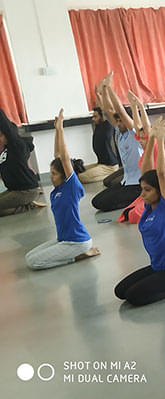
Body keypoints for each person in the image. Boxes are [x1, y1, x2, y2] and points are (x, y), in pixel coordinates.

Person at [114, 117, 165, 307]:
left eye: (147, 190)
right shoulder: (147, 210)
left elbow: (160, 173)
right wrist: (151, 138)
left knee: (135, 297)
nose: (142, 194)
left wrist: (160, 141)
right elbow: (145, 170)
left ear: (160, 190)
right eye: (142, 189)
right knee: (121, 292)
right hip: (158, 267)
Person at [26, 109, 101, 269]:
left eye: (54, 174)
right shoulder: (57, 190)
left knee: (33, 263)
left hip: (77, 242)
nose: (51, 177)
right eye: (51, 173)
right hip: (64, 239)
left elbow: (64, 157)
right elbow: (58, 155)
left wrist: (61, 128)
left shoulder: (71, 187)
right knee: (29, 256)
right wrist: (56, 131)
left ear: (64, 176)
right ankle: (77, 254)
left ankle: (79, 257)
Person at [117, 92, 165, 224]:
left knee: (136, 215)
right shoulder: (145, 152)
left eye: (144, 137)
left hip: (161, 191)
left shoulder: (153, 145)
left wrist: (142, 107)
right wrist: (134, 106)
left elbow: (146, 128)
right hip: (150, 191)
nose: (141, 139)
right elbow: (138, 127)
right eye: (140, 138)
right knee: (130, 214)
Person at [92, 75, 143, 211]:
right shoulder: (120, 133)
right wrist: (102, 91)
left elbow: (119, 110)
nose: (119, 123)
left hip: (138, 184)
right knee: (96, 201)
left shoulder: (135, 133)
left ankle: (139, 198)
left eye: (122, 121)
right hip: (127, 180)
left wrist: (109, 87)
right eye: (118, 121)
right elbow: (109, 110)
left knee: (102, 203)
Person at [0, 108, 43, 217]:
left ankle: (28, 206)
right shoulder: (5, 150)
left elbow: (6, 126)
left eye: (1, 135)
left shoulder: (17, 146)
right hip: (13, 190)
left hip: (26, 191)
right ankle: (25, 204)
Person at [78, 92, 120, 184]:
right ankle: (104, 173)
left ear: (102, 117)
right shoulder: (98, 125)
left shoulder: (107, 126)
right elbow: (99, 108)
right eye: (93, 116)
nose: (93, 119)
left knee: (81, 177)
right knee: (78, 171)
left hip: (109, 166)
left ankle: (111, 174)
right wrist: (97, 94)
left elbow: (104, 109)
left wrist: (101, 95)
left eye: (95, 117)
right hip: (101, 163)